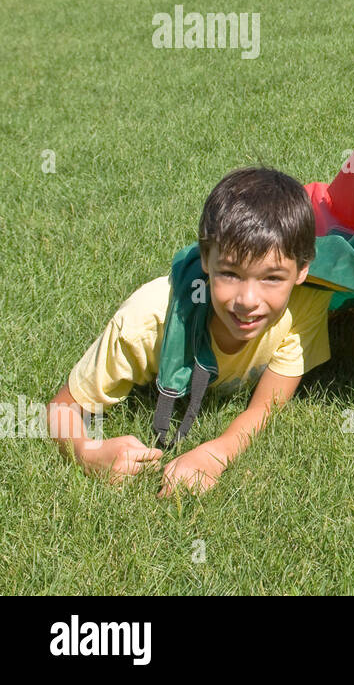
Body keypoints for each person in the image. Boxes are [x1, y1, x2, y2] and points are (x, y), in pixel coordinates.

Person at [46, 167, 331, 496]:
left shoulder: (305, 304)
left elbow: (265, 406)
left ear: (302, 271)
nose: (248, 301)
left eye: (271, 278)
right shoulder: (147, 320)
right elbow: (61, 409)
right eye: (230, 273)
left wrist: (218, 452)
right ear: (206, 259)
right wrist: (87, 453)